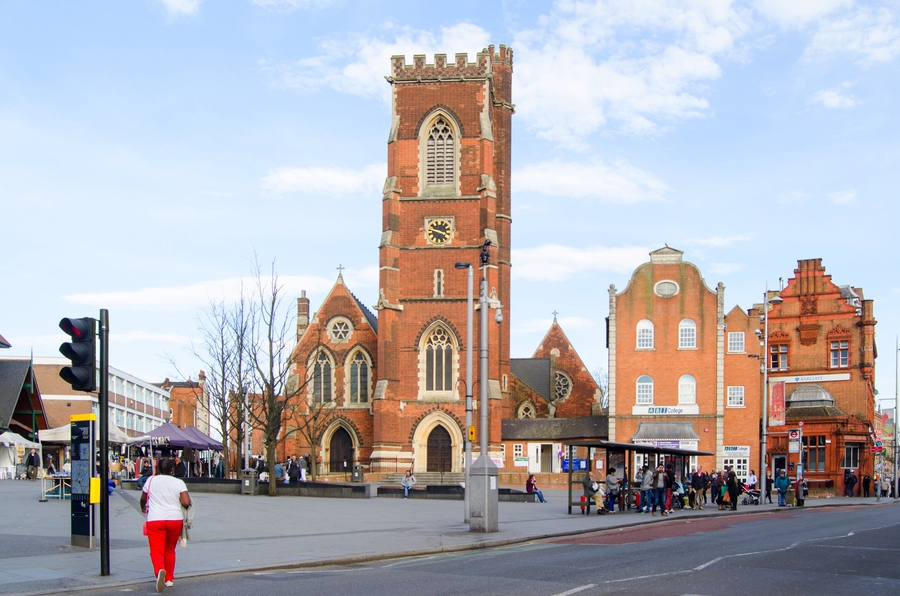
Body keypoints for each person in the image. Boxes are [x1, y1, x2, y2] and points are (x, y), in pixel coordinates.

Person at [141, 457, 191, 592]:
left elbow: (143, 498)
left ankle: (159, 571)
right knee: (170, 550)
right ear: (172, 469)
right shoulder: (178, 482)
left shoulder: (150, 480)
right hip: (175, 519)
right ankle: (169, 579)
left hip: (155, 519)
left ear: (158, 468)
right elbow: (186, 502)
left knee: (156, 550)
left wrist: (143, 508)